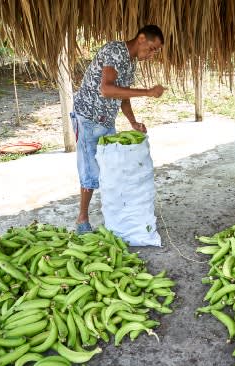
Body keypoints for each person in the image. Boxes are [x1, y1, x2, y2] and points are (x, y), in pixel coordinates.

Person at [71, 25, 166, 234]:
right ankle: (82, 220)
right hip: (87, 118)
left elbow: (121, 96)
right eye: (151, 48)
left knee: (109, 168)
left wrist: (132, 122)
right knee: (90, 172)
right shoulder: (115, 51)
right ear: (141, 38)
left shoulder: (130, 63)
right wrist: (148, 92)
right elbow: (106, 89)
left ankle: (113, 217)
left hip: (105, 121)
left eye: (155, 51)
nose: (151, 54)